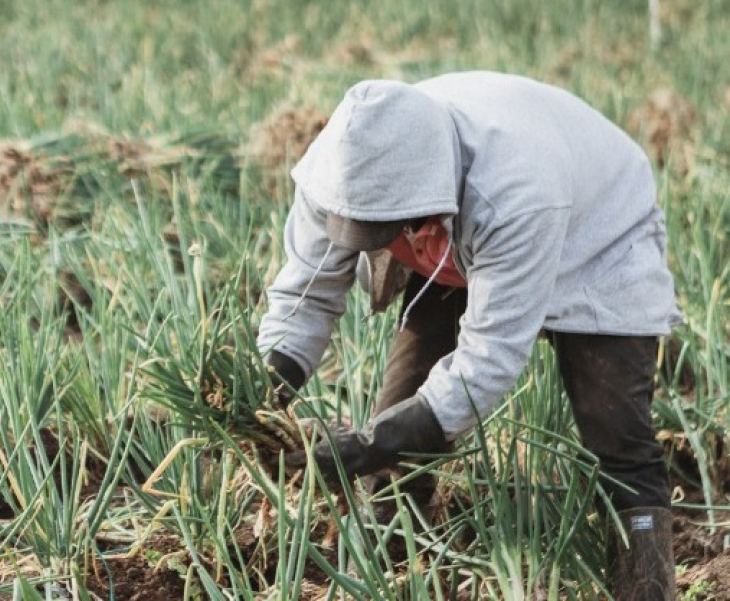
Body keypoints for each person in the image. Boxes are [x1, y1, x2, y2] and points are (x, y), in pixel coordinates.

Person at [257, 72, 681, 600]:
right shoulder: (339, 168)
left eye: (382, 228)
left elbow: (490, 361)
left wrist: (372, 442)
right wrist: (265, 389)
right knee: (402, 404)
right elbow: (306, 292)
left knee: (615, 431)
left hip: (597, 236)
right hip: (453, 247)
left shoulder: (516, 192)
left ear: (419, 198)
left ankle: (645, 584)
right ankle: (392, 569)